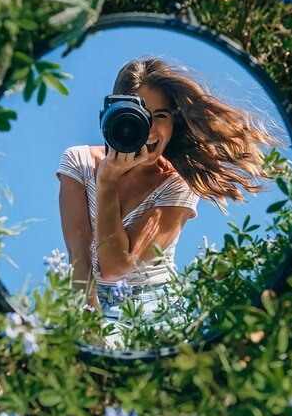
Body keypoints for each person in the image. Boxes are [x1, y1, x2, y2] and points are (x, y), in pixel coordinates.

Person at [56, 57, 276, 318]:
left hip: (153, 309)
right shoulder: (77, 161)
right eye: (139, 117)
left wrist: (107, 181)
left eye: (160, 116)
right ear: (113, 118)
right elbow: (79, 260)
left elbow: (115, 267)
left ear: (175, 122)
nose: (149, 131)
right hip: (85, 296)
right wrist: (88, 327)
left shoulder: (177, 184)